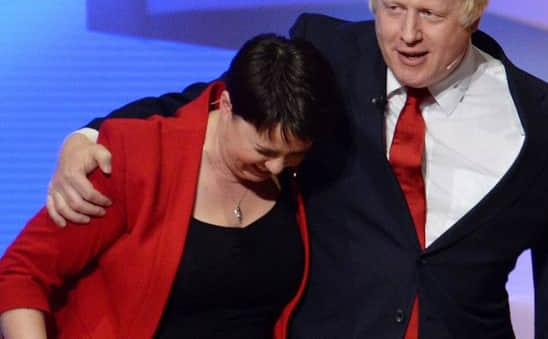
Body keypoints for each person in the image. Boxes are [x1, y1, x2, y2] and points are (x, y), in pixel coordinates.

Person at [45, 0, 548, 338]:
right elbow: (220, 101)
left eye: (430, 15)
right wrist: (92, 135)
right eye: (392, 8)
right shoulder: (328, 51)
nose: (406, 34)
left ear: (473, 15)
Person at [0, 34, 337, 338]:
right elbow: (21, 274)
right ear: (226, 105)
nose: (277, 167)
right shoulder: (138, 159)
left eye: (293, 156)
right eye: (264, 151)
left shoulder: (297, 176)